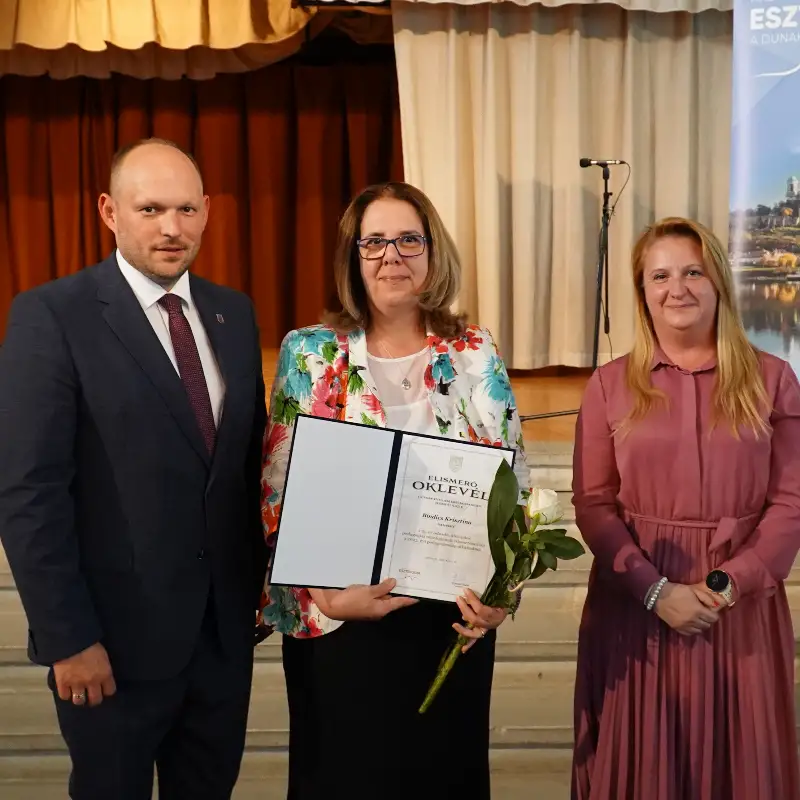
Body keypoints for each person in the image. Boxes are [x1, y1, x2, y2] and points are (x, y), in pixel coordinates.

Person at [0, 138, 267, 800]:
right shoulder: (51, 315)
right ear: (109, 211)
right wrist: (68, 640)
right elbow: (30, 493)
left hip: (221, 644)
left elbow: (243, 471)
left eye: (185, 209)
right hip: (109, 649)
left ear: (207, 211)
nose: (171, 228)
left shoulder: (234, 314)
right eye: (150, 209)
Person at [258, 181, 530, 799]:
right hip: (341, 618)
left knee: (445, 779)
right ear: (353, 256)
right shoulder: (310, 352)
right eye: (374, 242)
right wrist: (323, 594)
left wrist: (501, 597)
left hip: (449, 618)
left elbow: (513, 485)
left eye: (409, 240)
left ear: (432, 251)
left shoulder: (473, 351)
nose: (391, 256)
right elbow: (276, 488)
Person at [571, 216, 800, 799]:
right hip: (636, 606)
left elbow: (791, 501)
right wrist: (654, 591)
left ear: (718, 280)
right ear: (642, 291)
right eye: (660, 276)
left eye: (693, 272)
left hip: (739, 611)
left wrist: (729, 584)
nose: (678, 288)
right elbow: (593, 504)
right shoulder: (608, 385)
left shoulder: (774, 379)